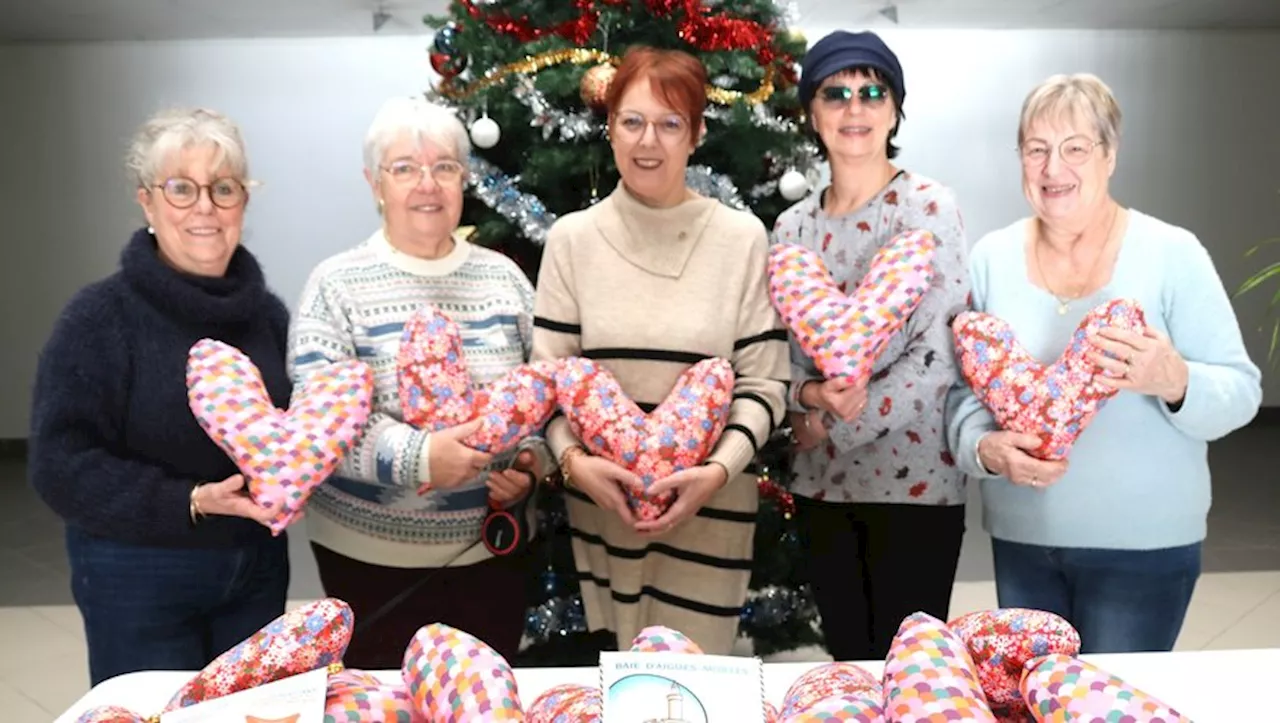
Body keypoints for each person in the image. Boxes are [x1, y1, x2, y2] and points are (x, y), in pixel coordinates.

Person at [946, 73, 1262, 653]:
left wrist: (1176, 381)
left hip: (1144, 549)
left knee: (1109, 708)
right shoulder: (990, 257)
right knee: (1033, 706)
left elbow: (1241, 391)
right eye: (1036, 149)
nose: (1052, 168)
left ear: (1110, 155)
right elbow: (964, 393)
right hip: (1023, 539)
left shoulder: (1173, 253)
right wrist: (984, 449)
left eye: (1075, 148)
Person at [531, 46, 790, 656]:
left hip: (712, 513)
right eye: (632, 121)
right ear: (611, 128)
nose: (649, 141)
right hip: (602, 514)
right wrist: (576, 465)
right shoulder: (572, 240)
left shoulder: (740, 239)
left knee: (691, 696)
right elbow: (546, 383)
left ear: (696, 134)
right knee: (608, 689)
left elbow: (765, 383)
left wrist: (717, 471)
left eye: (671, 124)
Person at [29, 108, 290, 685]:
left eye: (223, 188)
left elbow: (291, 432)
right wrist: (190, 499)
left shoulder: (267, 316)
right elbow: (58, 464)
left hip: (255, 573)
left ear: (243, 202)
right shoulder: (99, 318)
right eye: (181, 187)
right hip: (135, 573)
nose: (205, 206)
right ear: (147, 202)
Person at [288, 96, 550, 667]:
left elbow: (547, 395)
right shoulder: (336, 284)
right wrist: (421, 457)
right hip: (369, 564)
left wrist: (528, 466)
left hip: (490, 555)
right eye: (404, 167)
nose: (426, 184)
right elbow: (314, 424)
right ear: (374, 183)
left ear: (464, 179)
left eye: (445, 167)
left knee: (483, 703)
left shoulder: (505, 279)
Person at [775, 30, 972, 662]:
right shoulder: (791, 225)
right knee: (849, 664)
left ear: (894, 109)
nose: (854, 109)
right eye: (836, 93)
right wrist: (804, 400)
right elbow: (778, 351)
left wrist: (834, 419)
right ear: (812, 112)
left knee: (911, 670)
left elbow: (940, 351)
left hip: (915, 487)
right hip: (820, 489)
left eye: (871, 92)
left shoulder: (928, 207)